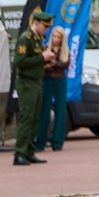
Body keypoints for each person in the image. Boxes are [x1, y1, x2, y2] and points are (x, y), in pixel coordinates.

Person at [10, 10, 49, 165]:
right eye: (44, 26)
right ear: (36, 23)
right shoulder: (25, 38)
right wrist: (41, 58)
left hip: (36, 81)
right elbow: (20, 61)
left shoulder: (37, 38)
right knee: (27, 118)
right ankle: (19, 153)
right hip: (27, 83)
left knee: (35, 118)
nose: (46, 30)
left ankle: (29, 151)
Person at [38, 22, 72, 154]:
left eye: (59, 37)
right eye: (54, 36)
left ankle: (57, 141)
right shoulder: (45, 48)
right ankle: (40, 141)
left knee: (60, 110)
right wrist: (51, 63)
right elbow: (42, 63)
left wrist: (54, 63)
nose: (56, 39)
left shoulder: (65, 51)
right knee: (44, 109)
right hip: (47, 80)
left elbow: (65, 63)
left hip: (59, 80)